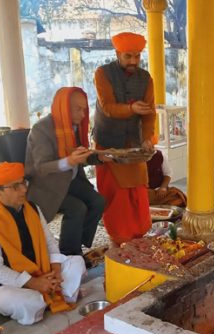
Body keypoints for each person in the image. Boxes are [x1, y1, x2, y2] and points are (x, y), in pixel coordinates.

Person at [0, 162, 86, 325]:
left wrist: (56, 271)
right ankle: (49, 297)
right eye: (16, 186)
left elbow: (49, 242)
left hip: (41, 273)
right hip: (4, 286)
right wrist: (33, 283)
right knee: (28, 301)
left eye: (23, 182)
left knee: (77, 262)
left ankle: (52, 291)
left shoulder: (32, 209)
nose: (24, 189)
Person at [25, 87, 105, 258]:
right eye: (78, 109)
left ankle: (76, 241)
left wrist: (102, 157)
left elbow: (81, 158)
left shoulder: (75, 126)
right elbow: (41, 167)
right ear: (63, 107)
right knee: (77, 208)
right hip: (47, 186)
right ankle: (70, 254)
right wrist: (70, 161)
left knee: (98, 201)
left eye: (85, 109)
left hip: (71, 179)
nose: (83, 115)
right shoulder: (42, 129)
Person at [93, 32, 157, 244]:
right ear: (117, 53)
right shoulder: (102, 74)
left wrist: (148, 137)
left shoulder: (146, 78)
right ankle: (118, 239)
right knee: (116, 196)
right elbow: (108, 107)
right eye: (128, 56)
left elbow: (149, 113)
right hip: (108, 143)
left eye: (137, 56)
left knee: (137, 192)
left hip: (134, 145)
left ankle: (139, 237)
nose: (133, 61)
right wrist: (131, 108)